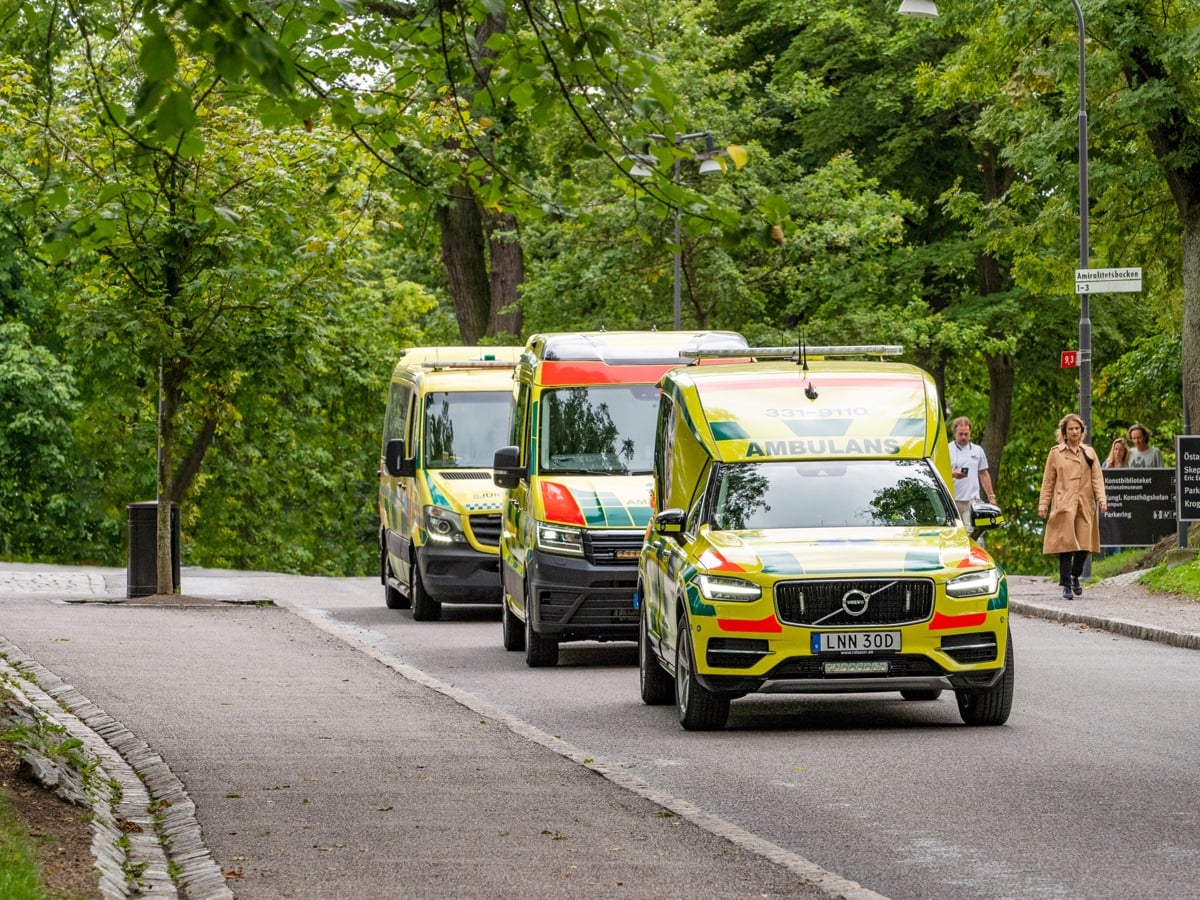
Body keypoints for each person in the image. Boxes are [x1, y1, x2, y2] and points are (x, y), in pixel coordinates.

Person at [1038, 413, 1108, 600]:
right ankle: (1066, 586)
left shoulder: (1089, 453)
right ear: (1065, 432)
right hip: (1064, 504)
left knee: (1084, 546)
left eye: (1077, 428)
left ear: (1082, 431)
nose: (1074, 432)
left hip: (1085, 503)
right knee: (1066, 545)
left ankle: (1075, 575)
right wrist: (1043, 504)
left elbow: (1097, 479)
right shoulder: (1056, 453)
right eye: (1071, 429)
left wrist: (1102, 499)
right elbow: (1048, 481)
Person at [948, 416, 997, 523]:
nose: (964, 437)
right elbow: (939, 472)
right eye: (960, 434)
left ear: (970, 432)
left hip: (972, 499)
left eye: (966, 434)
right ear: (955, 433)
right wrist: (952, 473)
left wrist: (991, 496)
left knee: (971, 531)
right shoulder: (947, 449)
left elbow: (983, 474)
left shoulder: (977, 450)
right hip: (953, 499)